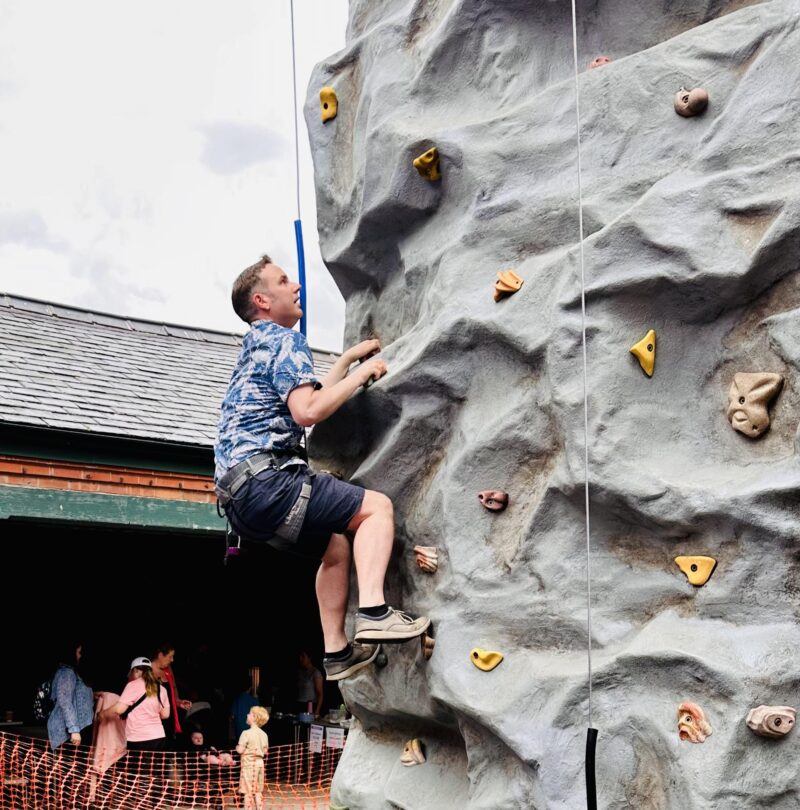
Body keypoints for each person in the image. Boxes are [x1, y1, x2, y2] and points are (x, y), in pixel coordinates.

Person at [214, 255, 430, 682]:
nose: (296, 287)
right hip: (270, 481)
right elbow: (308, 410)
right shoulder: (283, 340)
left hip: (241, 501)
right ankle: (374, 610)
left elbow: (307, 394)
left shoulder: (256, 347)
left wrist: (348, 360)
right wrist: (365, 373)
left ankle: (336, 652)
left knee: (335, 547)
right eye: (283, 281)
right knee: (376, 509)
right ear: (262, 300)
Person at [99, 657, 170, 755]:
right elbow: (165, 714)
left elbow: (119, 709)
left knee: (138, 769)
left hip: (138, 738)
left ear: (135, 670)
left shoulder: (133, 685)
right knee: (154, 769)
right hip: (159, 737)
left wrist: (103, 713)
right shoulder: (161, 688)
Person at [46, 640, 94, 750]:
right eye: (78, 652)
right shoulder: (66, 673)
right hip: (69, 733)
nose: (80, 655)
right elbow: (65, 701)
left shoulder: (73, 672)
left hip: (77, 729)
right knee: (71, 765)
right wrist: (74, 730)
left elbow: (75, 696)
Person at [150, 642, 192, 746]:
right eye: (170, 656)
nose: (172, 660)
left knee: (168, 746)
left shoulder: (168, 669)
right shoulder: (145, 670)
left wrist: (178, 702)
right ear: (160, 655)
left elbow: (173, 688)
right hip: (152, 719)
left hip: (168, 717)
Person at [236, 706, 270, 810]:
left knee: (248, 792)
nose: (247, 715)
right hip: (260, 764)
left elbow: (240, 750)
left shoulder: (246, 733)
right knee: (258, 791)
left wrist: (237, 747)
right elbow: (265, 751)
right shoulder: (264, 734)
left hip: (249, 765)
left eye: (249, 713)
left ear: (254, 717)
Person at [296, 651, 323, 718]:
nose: (300, 659)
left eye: (303, 656)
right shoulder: (299, 672)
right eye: (300, 657)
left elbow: (320, 694)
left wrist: (317, 711)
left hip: (310, 706)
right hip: (299, 704)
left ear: (309, 658)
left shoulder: (315, 672)